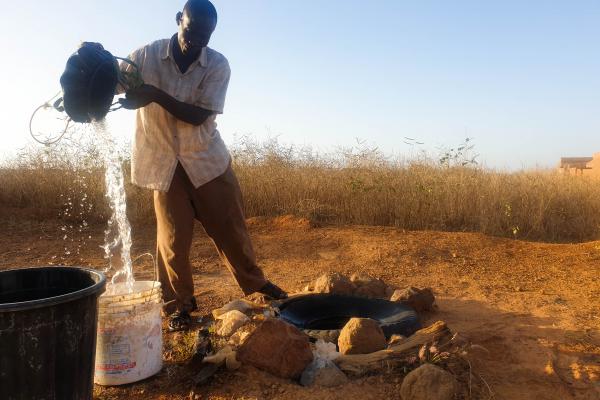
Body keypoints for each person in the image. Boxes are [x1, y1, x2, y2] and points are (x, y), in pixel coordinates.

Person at [119, 0, 287, 331]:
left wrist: (153, 94)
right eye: (192, 30)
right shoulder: (143, 57)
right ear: (178, 20)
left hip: (207, 160)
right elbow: (112, 84)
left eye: (206, 35)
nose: (197, 40)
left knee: (231, 228)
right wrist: (87, 73)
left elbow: (198, 116)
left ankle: (256, 284)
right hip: (164, 164)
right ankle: (178, 305)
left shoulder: (217, 65)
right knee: (172, 240)